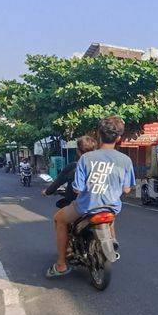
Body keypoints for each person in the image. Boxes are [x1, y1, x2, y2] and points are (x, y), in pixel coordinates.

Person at [46, 116, 135, 278]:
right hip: (111, 207)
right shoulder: (126, 160)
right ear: (119, 138)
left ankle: (60, 265)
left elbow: (78, 190)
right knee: (111, 217)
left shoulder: (86, 159)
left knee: (59, 219)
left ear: (99, 134)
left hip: (86, 207)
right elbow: (127, 189)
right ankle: (112, 241)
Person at [41, 136, 98, 204]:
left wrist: (47, 192)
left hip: (80, 204)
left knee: (58, 215)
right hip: (102, 204)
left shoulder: (74, 166)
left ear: (78, 151)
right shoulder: (102, 166)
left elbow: (58, 182)